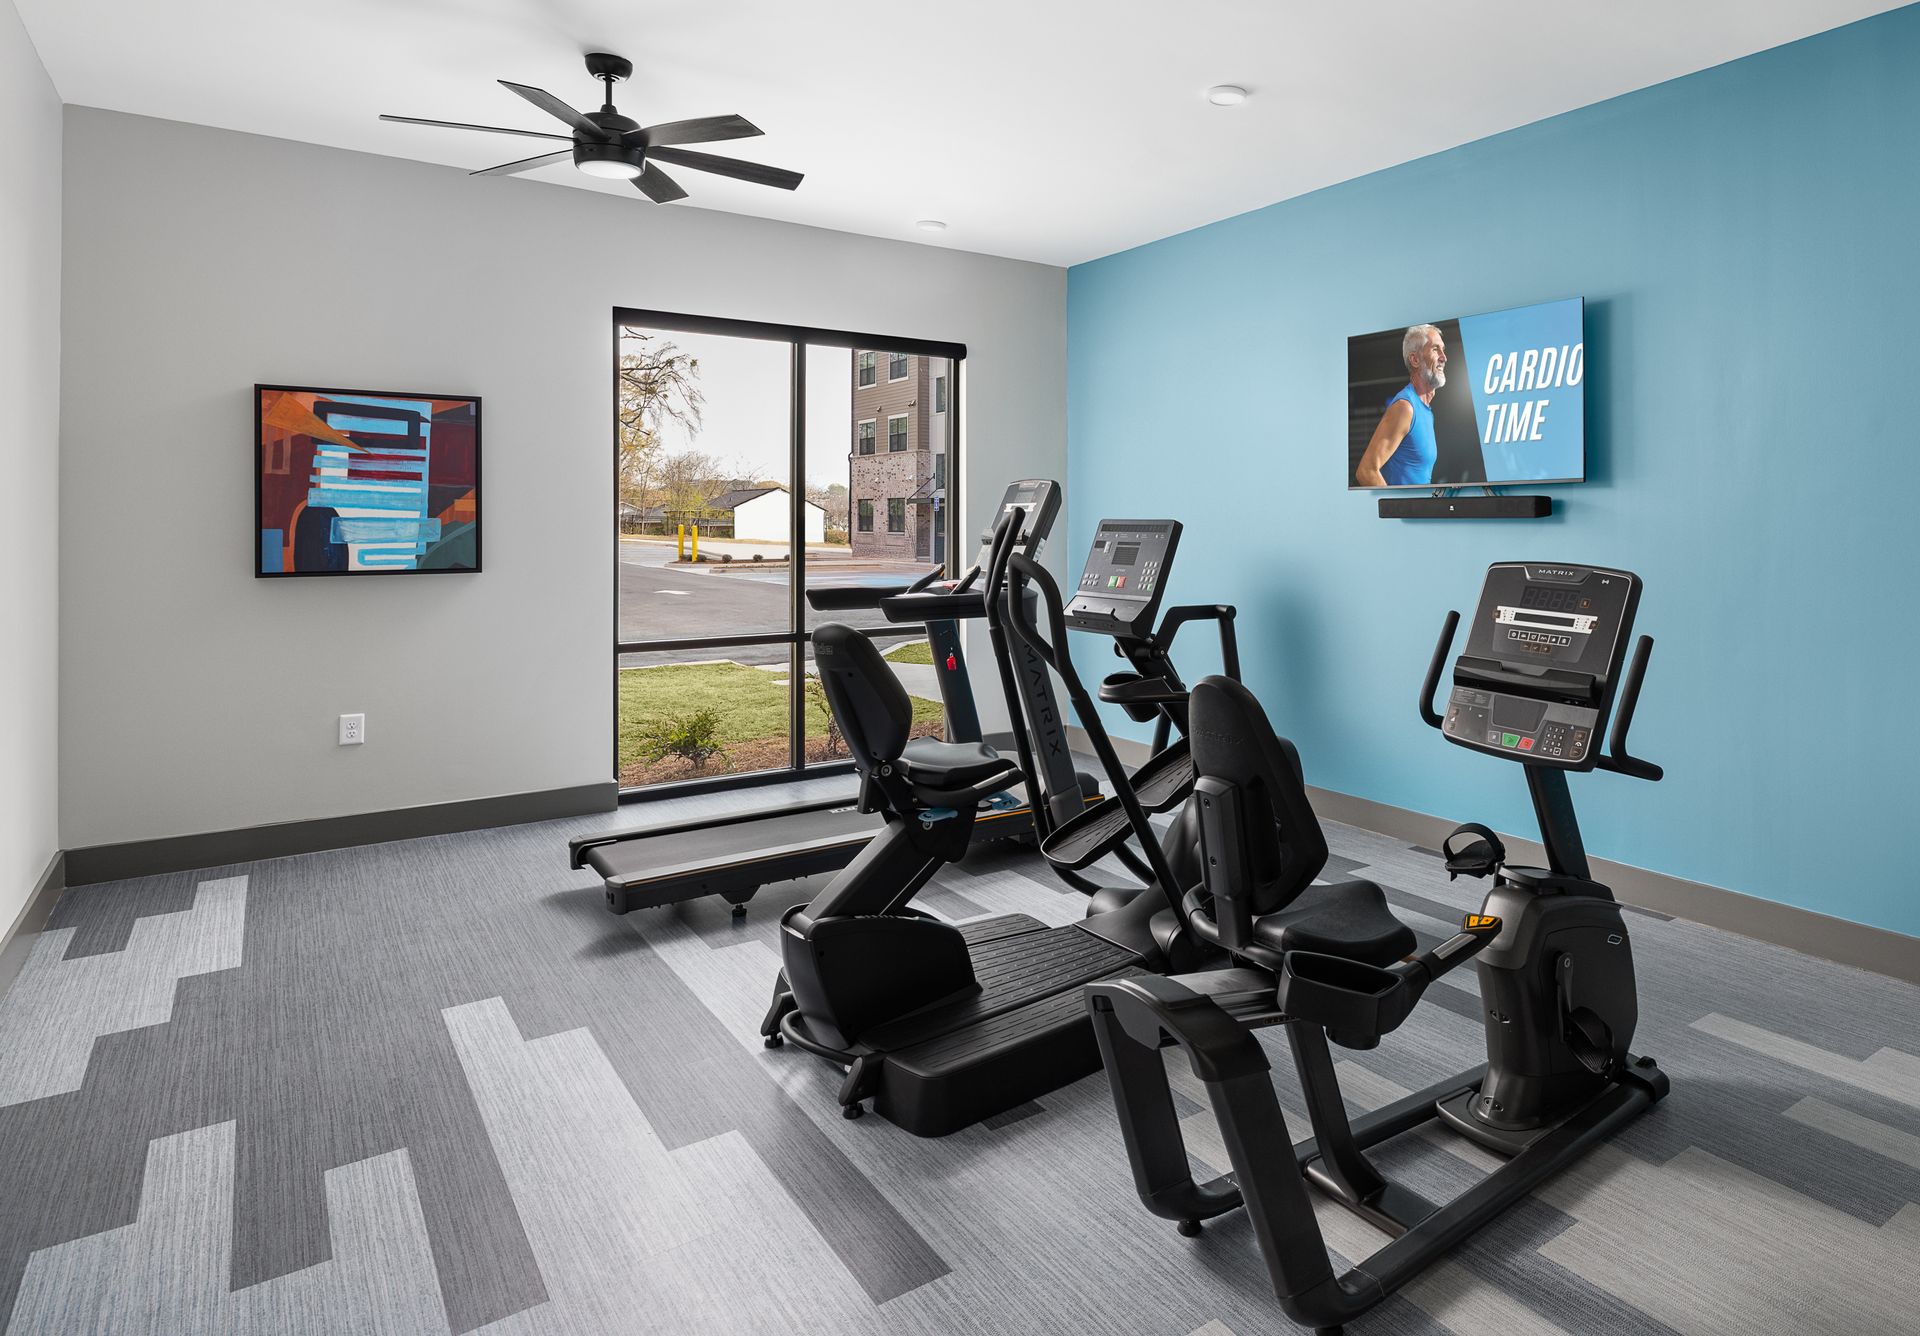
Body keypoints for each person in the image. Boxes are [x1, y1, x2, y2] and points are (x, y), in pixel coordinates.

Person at [1355, 324, 1448, 487]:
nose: (1443, 357)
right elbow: (1366, 471)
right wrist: (1399, 503)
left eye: (1443, 350)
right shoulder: (1405, 407)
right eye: (1435, 349)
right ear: (1415, 360)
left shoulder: (1426, 410)